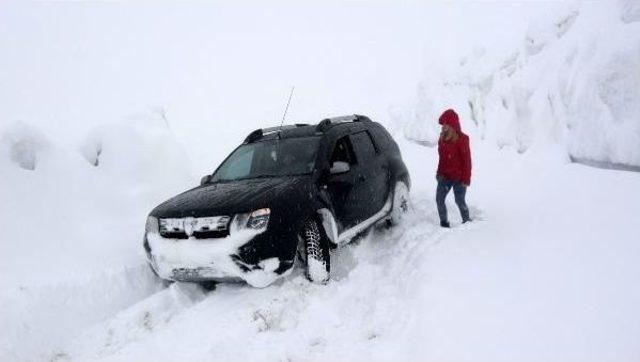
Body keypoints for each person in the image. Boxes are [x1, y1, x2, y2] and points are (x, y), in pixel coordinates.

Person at [436, 109, 472, 228]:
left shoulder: (462, 140)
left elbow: (467, 161)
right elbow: (441, 159)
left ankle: (467, 221)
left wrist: (466, 179)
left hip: (459, 177)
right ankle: (444, 224)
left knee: (459, 200)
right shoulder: (442, 139)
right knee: (439, 199)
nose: (444, 126)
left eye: (446, 123)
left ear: (452, 124)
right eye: (443, 124)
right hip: (445, 176)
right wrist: (439, 172)